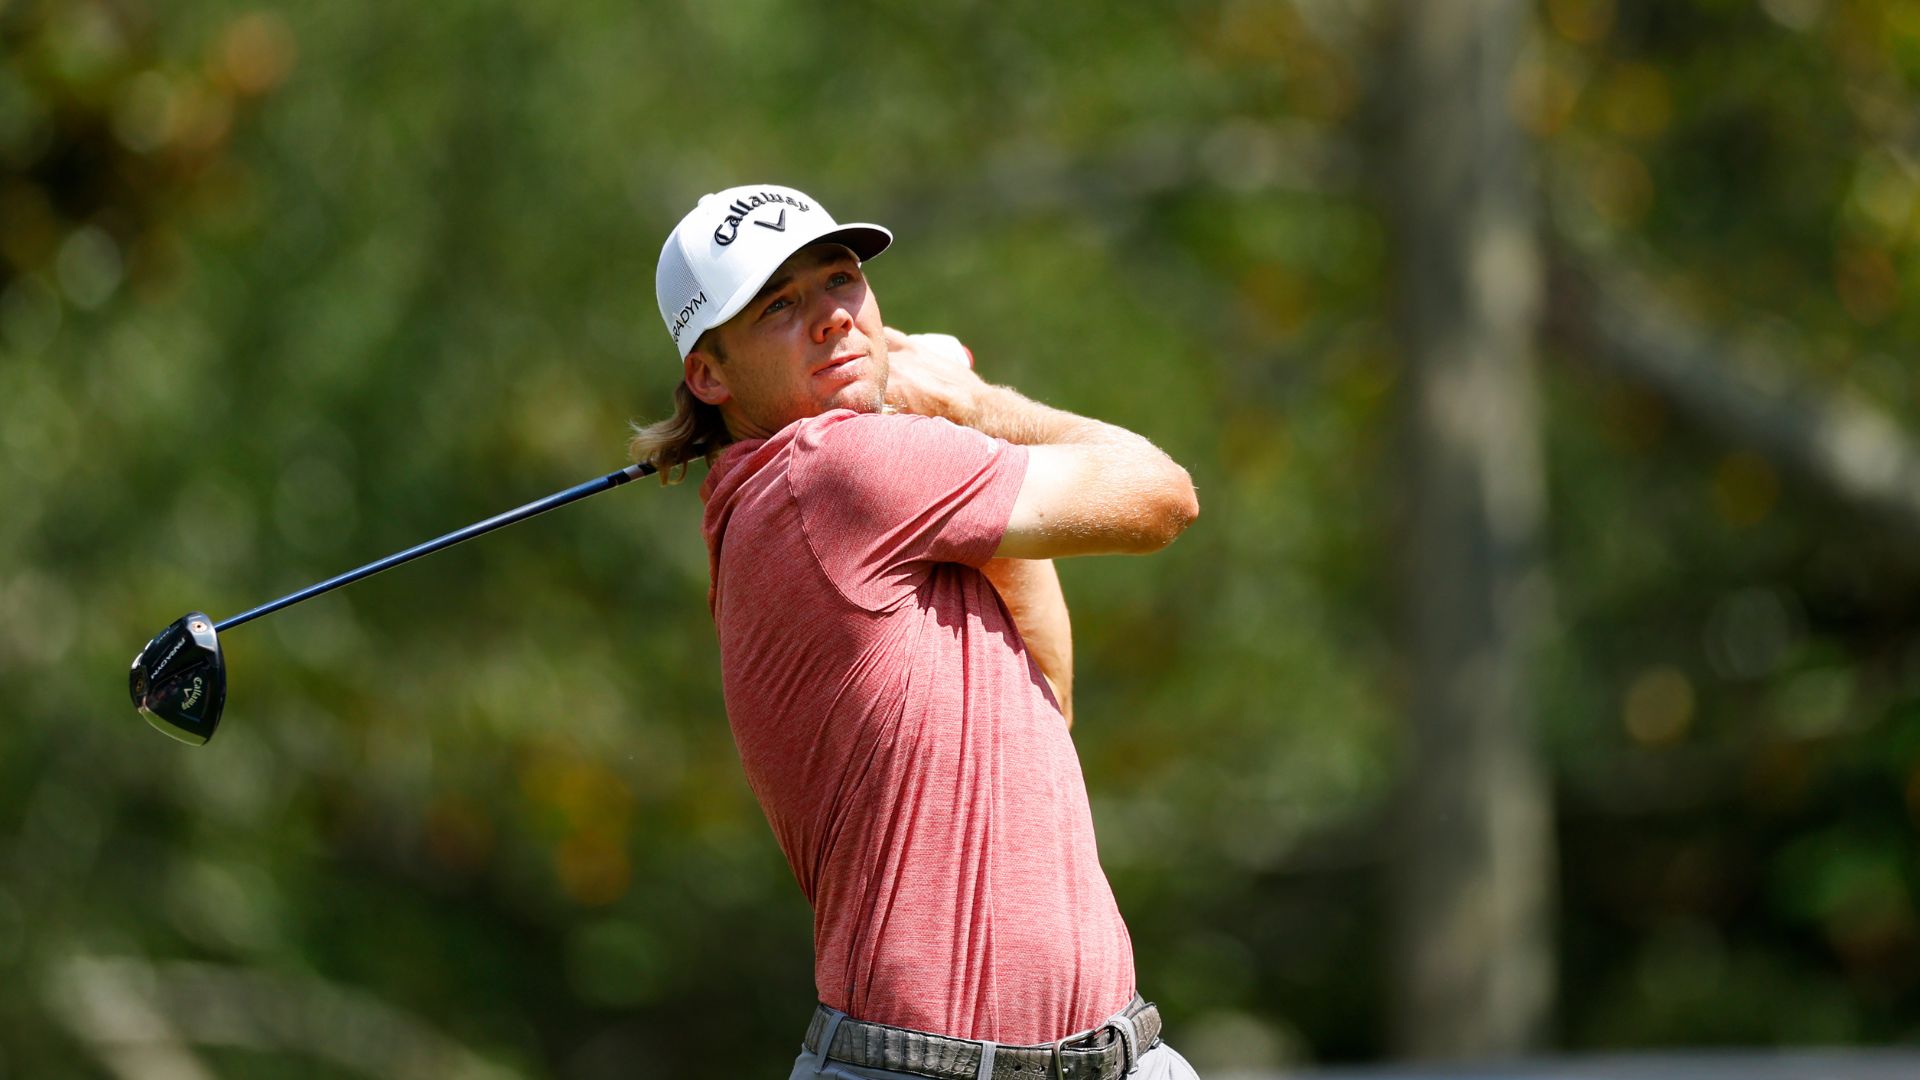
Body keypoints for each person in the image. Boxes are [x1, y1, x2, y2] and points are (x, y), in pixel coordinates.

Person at [633, 183, 1202, 1080]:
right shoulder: (834, 470)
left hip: (1120, 1053)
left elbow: (1046, 695)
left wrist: (930, 418)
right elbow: (1162, 495)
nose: (831, 319)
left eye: (840, 279)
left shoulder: (827, 492)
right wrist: (973, 404)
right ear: (710, 375)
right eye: (778, 305)